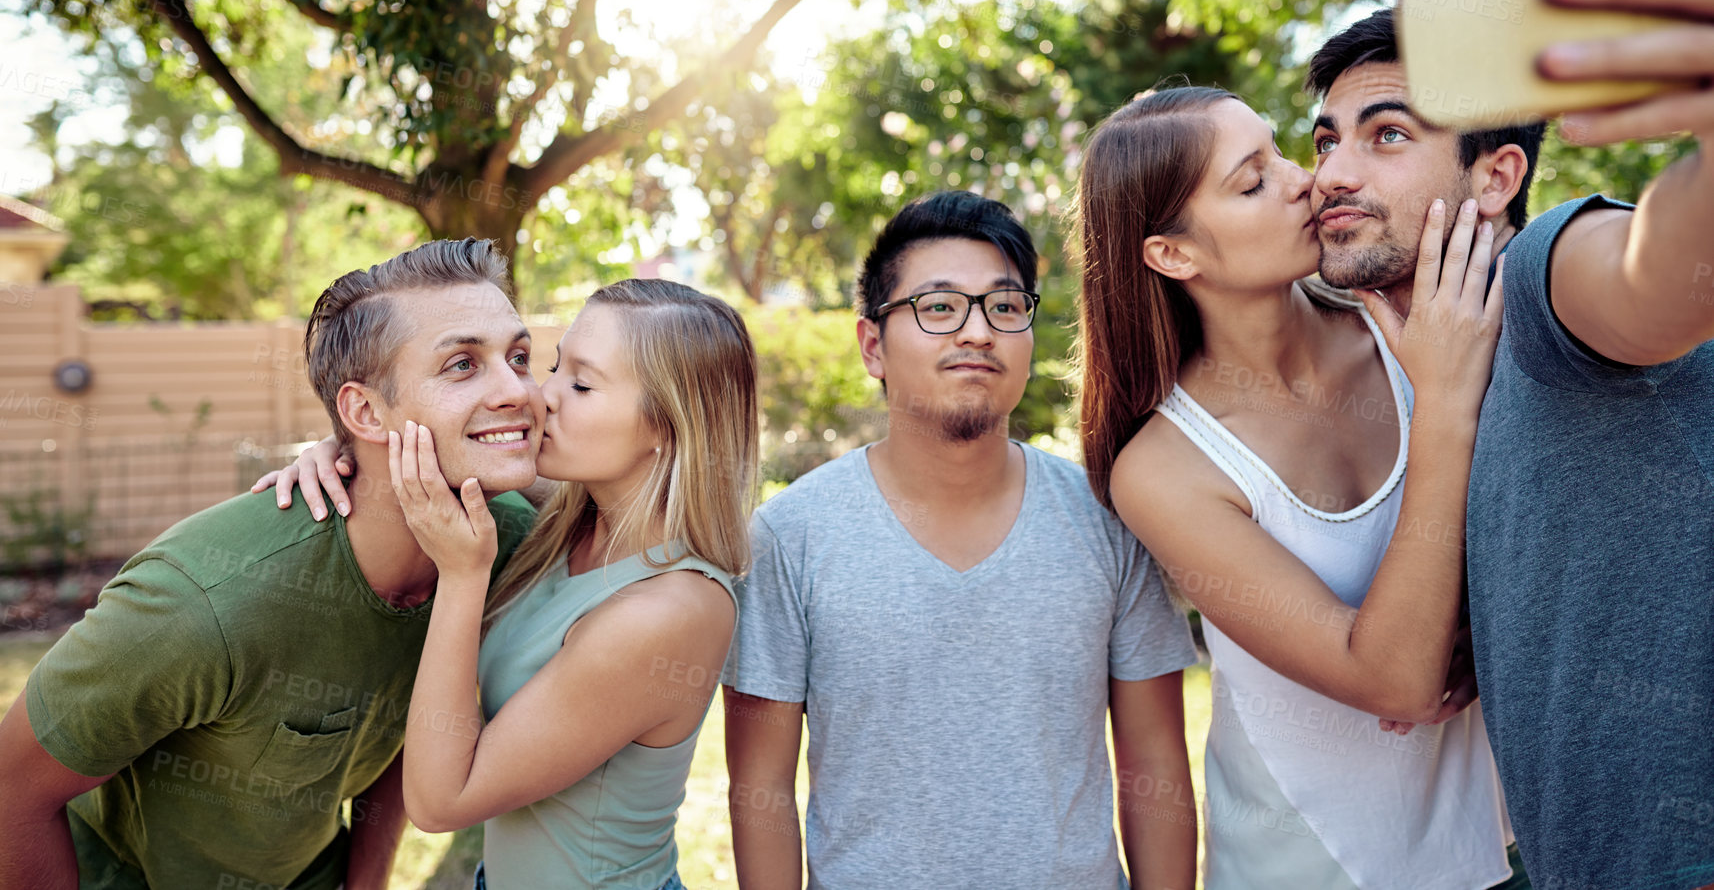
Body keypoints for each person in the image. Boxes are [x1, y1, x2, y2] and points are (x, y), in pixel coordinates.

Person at [1306, 0, 1714, 890]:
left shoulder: (1541, 272)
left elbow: (1658, 275)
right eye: (1322, 140)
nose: (1333, 173)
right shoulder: (1430, 380)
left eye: (1386, 134)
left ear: (1495, 179)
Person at [1078, 85, 1521, 890]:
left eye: (1285, 151)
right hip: (1313, 866)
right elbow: (1394, 679)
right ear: (1174, 254)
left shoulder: (1412, 315)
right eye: (1252, 181)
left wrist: (1479, 634)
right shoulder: (1165, 468)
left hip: (1505, 845)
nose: (1304, 180)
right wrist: (1446, 410)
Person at [0, 238, 542, 890]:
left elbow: (412, 726)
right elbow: (12, 792)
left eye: (519, 356)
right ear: (365, 411)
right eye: (463, 364)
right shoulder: (203, 600)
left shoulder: (504, 543)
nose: (518, 391)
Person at [722, 190, 1199, 890]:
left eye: (1005, 306)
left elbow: (1155, 759)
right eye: (939, 307)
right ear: (872, 345)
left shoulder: (1108, 519)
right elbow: (759, 786)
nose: (977, 331)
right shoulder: (791, 537)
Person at [262, 278, 756, 890]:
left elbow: (441, 803)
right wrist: (341, 448)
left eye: (580, 383)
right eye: (551, 366)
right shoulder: (572, 518)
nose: (539, 396)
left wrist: (463, 576)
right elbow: (438, 449)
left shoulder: (668, 611)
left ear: (667, 423)